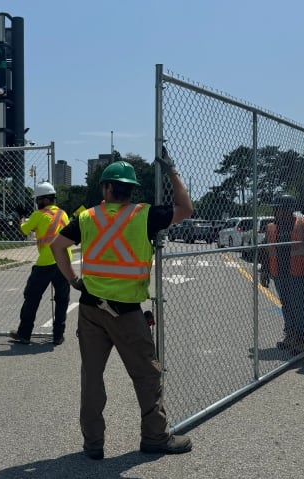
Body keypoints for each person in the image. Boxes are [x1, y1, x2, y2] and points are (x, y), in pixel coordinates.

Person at [50, 149, 195, 460]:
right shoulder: (145, 215)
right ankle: (155, 437)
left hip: (91, 309)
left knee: (91, 377)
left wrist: (73, 280)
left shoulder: (86, 217)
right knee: (146, 376)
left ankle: (93, 445)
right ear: (131, 190)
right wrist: (172, 170)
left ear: (106, 188)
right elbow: (185, 208)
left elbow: (57, 246)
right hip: (127, 313)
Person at [259, 194, 304, 352]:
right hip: (279, 273)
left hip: (299, 273)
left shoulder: (303, 224)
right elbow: (266, 251)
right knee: (287, 306)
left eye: (278, 209)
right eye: (275, 209)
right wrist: (265, 272)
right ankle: (290, 336)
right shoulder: (271, 227)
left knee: (299, 307)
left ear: (289, 209)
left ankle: (301, 340)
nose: (275, 212)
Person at [8, 182, 71, 346]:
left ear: (44, 199)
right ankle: (58, 335)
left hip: (46, 262)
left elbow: (24, 230)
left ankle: (24, 333)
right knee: (62, 300)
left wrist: (20, 218)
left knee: (32, 298)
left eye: (37, 200)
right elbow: (48, 229)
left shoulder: (38, 214)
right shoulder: (63, 214)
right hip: (64, 261)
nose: (36, 203)